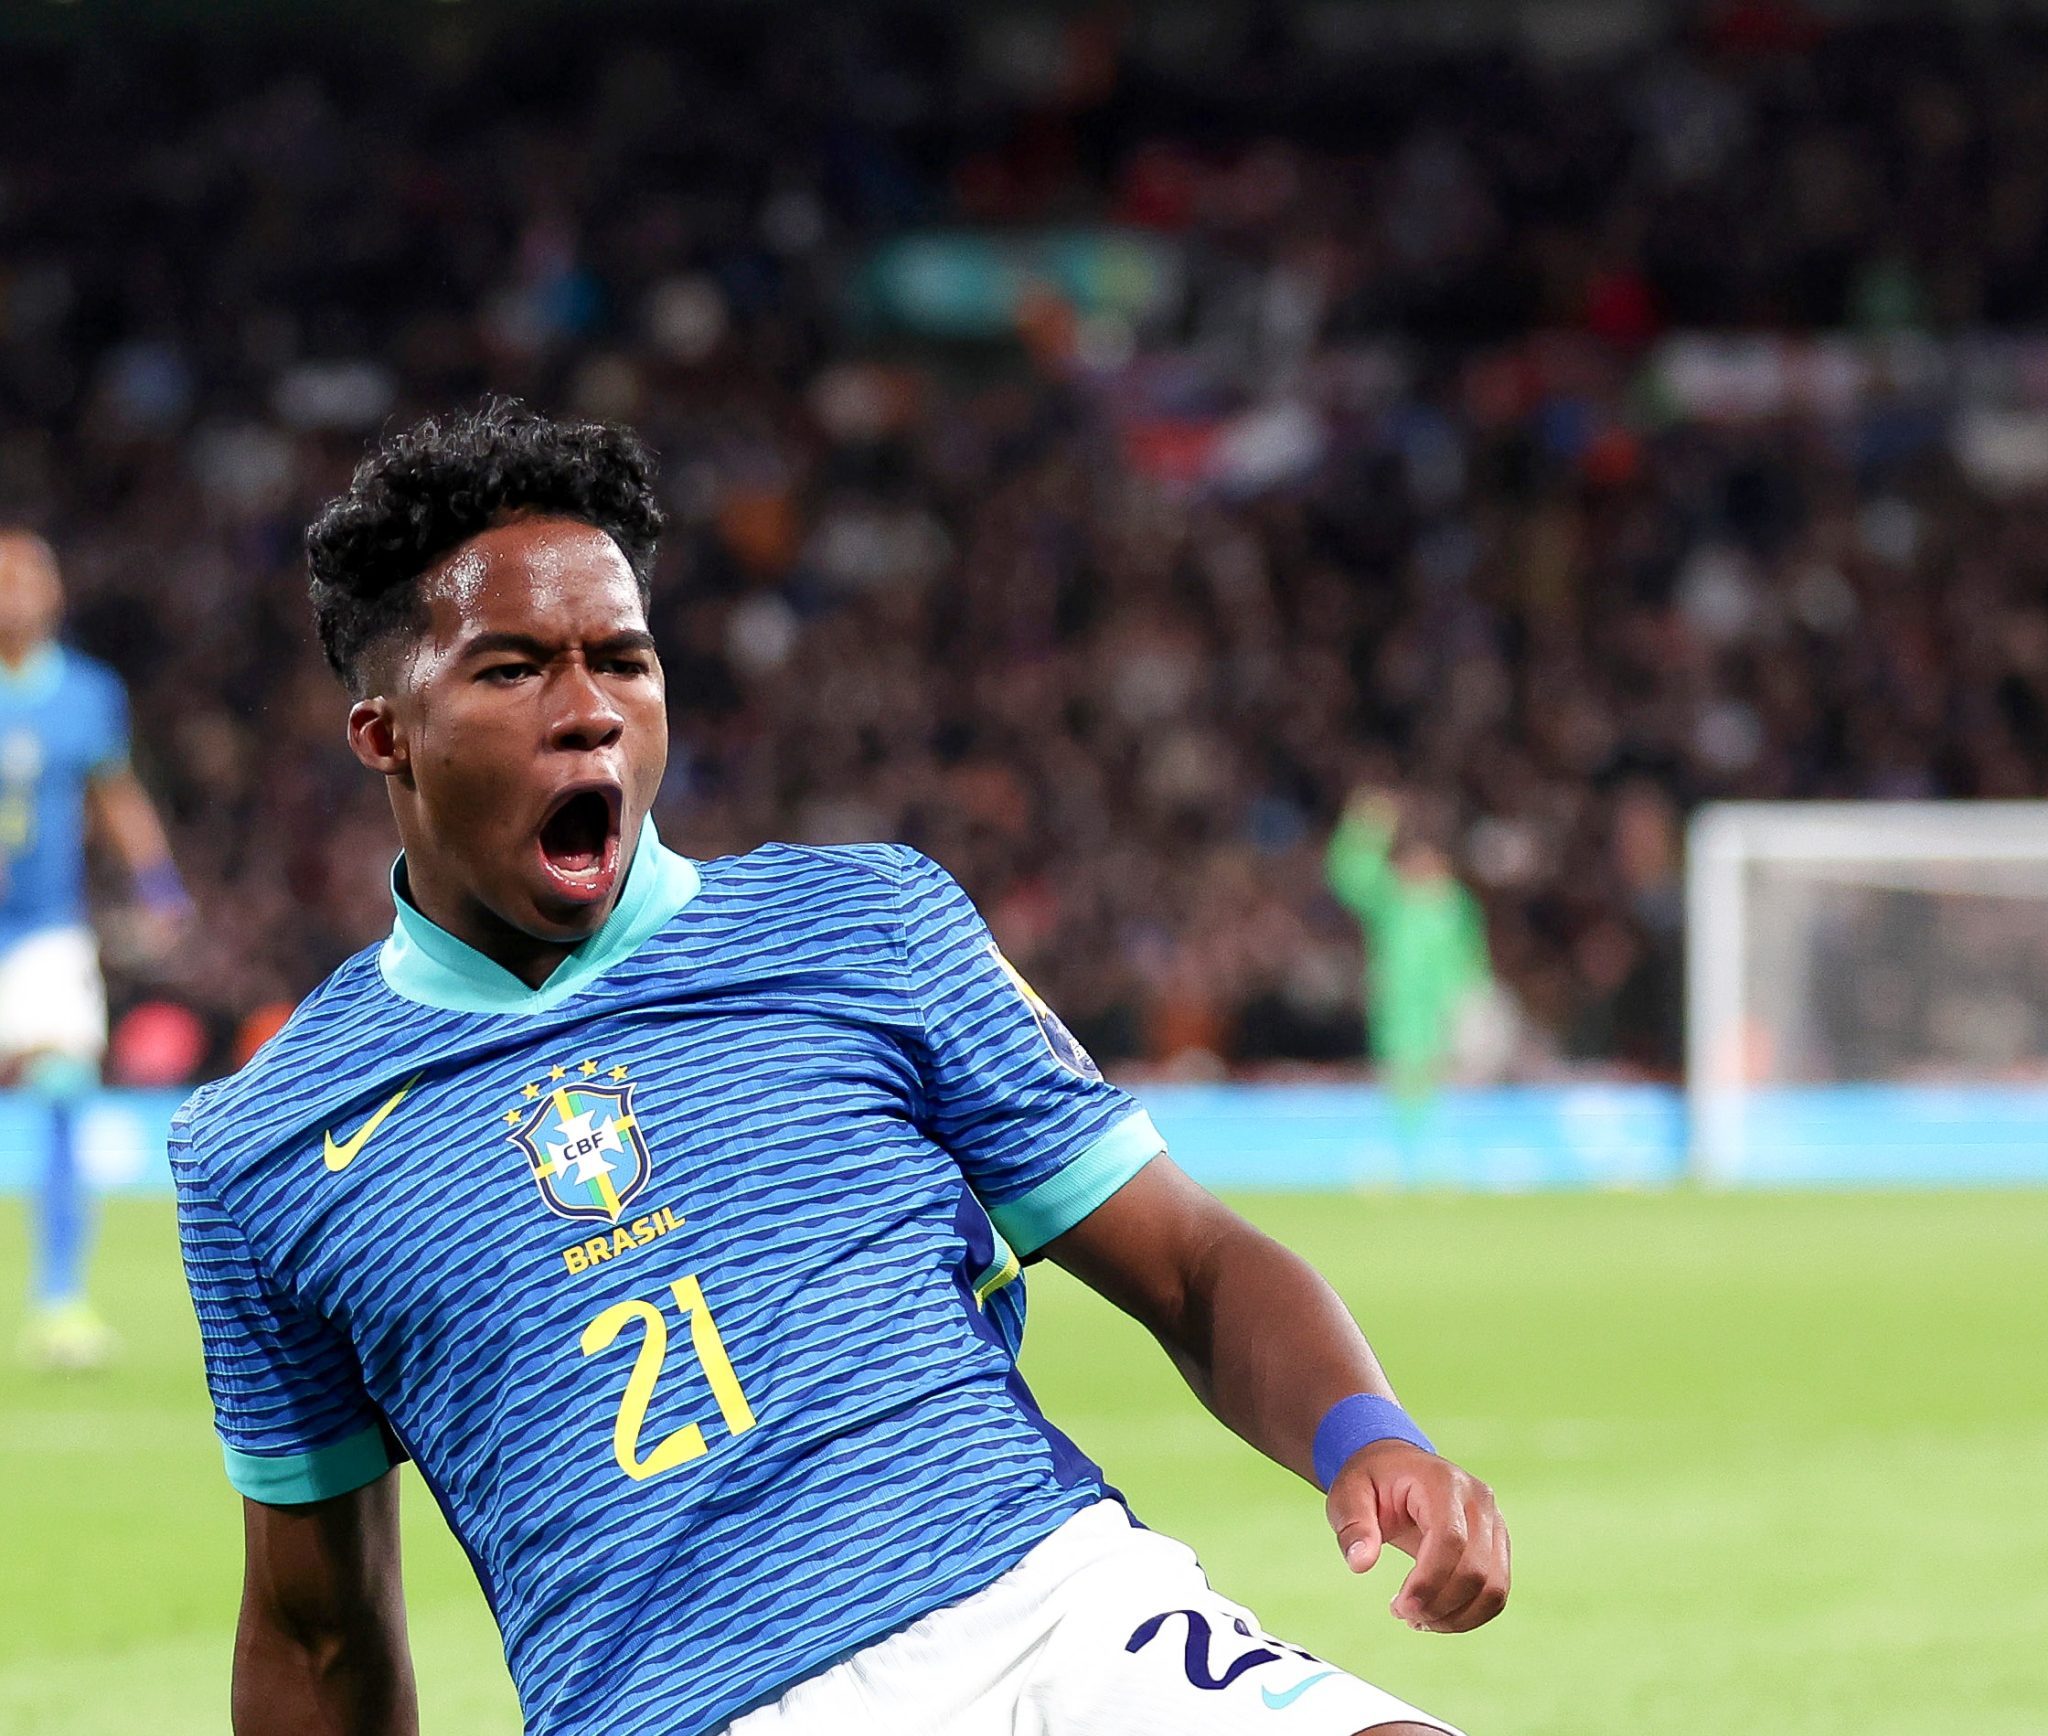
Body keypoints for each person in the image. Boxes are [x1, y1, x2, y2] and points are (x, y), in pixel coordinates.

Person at [171, 405, 1509, 1736]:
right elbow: (315, 1631)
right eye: (513, 670)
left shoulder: (869, 927)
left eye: (624, 663)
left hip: (1053, 1610)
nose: (589, 714)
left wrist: (1367, 1438)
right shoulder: (266, 1150)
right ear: (383, 733)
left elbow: (1189, 1260)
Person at [0, 530, 189, 1368]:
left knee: (68, 1090)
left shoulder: (85, 694)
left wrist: (157, 883)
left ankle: (61, 1298)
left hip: (44, 930)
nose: (12, 591)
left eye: (26, 576)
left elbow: (115, 792)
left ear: (53, 594)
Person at [1325, 790, 1494, 1106]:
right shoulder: (1394, 900)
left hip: (1449, 1026)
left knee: (1446, 1100)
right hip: (1399, 1025)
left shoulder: (1456, 906)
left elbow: (1472, 965)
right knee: (1403, 1097)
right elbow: (1349, 875)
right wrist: (1367, 827)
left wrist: (1471, 1011)